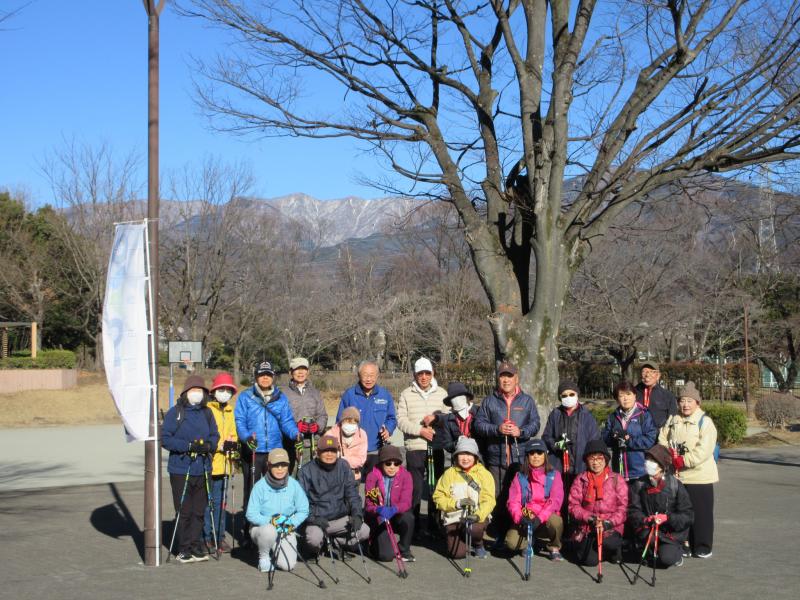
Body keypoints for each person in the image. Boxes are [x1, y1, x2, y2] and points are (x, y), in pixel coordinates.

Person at [473, 362, 540, 541]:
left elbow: (535, 424)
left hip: (520, 458)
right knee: (497, 495)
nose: (506, 380)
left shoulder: (527, 401)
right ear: (498, 379)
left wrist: (521, 431)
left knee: (519, 495)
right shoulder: (489, 400)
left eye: (509, 376)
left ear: (516, 378)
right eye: (503, 376)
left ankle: (518, 532)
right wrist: (497, 429)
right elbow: (478, 424)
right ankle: (498, 534)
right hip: (496, 457)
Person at [162, 375, 220, 563]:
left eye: (200, 390)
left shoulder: (207, 413)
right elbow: (165, 438)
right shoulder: (176, 412)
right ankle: (184, 547)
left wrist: (209, 446)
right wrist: (187, 446)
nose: (197, 393)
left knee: (199, 510)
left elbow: (214, 435)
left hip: (202, 467)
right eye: (193, 390)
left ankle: (196, 545)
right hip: (181, 468)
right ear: (186, 392)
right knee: (184, 510)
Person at [658, 381, 718, 559]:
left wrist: (683, 460)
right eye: (682, 400)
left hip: (700, 476)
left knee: (702, 513)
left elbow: (704, 450)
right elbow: (662, 438)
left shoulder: (705, 422)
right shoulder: (673, 419)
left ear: (697, 403)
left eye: (689, 401)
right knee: (680, 513)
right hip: (677, 476)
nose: (685, 404)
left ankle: (702, 545)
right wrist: (667, 456)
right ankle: (683, 543)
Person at [234, 360, 299, 516]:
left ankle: (274, 526)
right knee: (252, 492)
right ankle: (250, 532)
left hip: (274, 452)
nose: (265, 378)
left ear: (273, 377)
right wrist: (246, 438)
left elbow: (287, 421)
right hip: (253, 450)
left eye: (268, 375)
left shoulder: (280, 398)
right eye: (261, 375)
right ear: (256, 376)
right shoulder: (245, 397)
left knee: (275, 491)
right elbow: (240, 421)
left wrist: (296, 434)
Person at [395, 357, 448, 536]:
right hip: (415, 447)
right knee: (415, 488)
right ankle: (414, 526)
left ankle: (434, 525)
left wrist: (437, 419)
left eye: (427, 373)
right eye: (420, 374)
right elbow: (401, 421)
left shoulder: (441, 393)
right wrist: (419, 430)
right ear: (415, 375)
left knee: (435, 487)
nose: (424, 377)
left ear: (433, 373)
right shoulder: (406, 394)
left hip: (436, 447)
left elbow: (449, 418)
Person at [298, 434, 370, 555]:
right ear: (318, 451)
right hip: (319, 521)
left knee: (364, 531)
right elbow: (301, 502)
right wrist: (313, 519)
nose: (330, 454)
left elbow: (352, 493)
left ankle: (336, 542)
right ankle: (320, 546)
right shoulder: (306, 471)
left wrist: (357, 515)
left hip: (340, 518)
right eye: (325, 451)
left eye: (333, 451)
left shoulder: (344, 466)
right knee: (313, 540)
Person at [628, 444, 694, 568]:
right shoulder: (639, 484)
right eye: (647, 459)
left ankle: (677, 551)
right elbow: (633, 510)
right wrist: (645, 520)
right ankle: (651, 548)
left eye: (653, 461)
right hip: (649, 530)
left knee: (667, 558)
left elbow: (688, 516)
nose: (648, 463)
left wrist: (667, 518)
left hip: (670, 533)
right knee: (643, 550)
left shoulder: (676, 485)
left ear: (662, 465)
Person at [246, 448, 310, 572]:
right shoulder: (259, 486)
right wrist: (271, 521)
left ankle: (275, 552)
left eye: (284, 465)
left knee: (288, 566)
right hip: (262, 529)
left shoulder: (294, 485)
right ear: (268, 465)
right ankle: (263, 558)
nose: (280, 468)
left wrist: (291, 523)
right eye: (276, 465)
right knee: (269, 531)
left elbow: (304, 509)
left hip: (285, 528)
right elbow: (251, 514)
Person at [433, 436, 496, 559]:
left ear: (475, 457)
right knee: (456, 554)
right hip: (454, 518)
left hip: (476, 518)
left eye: (469, 454)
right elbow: (438, 497)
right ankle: (462, 538)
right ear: (456, 456)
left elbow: (489, 500)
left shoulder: (484, 474)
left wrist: (478, 515)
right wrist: (456, 503)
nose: (465, 458)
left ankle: (478, 543)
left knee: (474, 529)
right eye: (462, 454)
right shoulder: (449, 474)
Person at [542, 380, 600, 513]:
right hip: (559, 466)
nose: (568, 397)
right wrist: (558, 445)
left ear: (577, 395)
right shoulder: (555, 414)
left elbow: (594, 440)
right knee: (559, 498)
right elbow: (546, 437)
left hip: (581, 465)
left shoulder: (587, 416)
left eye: (571, 394)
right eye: (564, 395)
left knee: (579, 499)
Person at [567, 440, 628, 567]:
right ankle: (597, 549)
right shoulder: (581, 479)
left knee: (608, 543)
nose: (596, 462)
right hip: (589, 525)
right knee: (589, 561)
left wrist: (607, 523)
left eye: (599, 458)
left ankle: (612, 550)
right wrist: (590, 518)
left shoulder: (617, 479)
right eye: (592, 458)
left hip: (610, 526)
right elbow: (573, 506)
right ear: (586, 461)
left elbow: (623, 509)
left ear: (606, 459)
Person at [505, 439, 565, 561]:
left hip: (544, 517)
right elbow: (513, 501)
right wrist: (520, 518)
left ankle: (554, 547)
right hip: (526, 517)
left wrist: (539, 518)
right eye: (532, 453)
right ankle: (530, 542)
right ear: (527, 456)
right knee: (511, 543)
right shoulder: (519, 476)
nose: (536, 456)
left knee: (556, 521)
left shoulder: (554, 475)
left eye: (539, 452)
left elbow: (555, 500)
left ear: (545, 455)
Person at [336, 360, 397, 477]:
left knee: (374, 487)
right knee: (353, 486)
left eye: (372, 375)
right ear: (359, 376)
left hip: (376, 449)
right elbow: (339, 420)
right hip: (353, 449)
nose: (368, 379)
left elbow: (392, 418)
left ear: (377, 376)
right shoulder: (349, 395)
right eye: (365, 375)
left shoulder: (385, 395)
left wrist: (388, 429)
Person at [203, 372, 239, 553]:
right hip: (210, 462)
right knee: (207, 502)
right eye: (221, 389)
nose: (225, 392)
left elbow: (233, 433)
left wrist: (233, 445)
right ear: (214, 390)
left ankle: (219, 536)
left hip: (225, 464)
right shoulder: (207, 409)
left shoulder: (230, 411)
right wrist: (219, 445)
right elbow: (204, 434)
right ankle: (206, 537)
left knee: (220, 504)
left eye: (228, 390)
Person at [364, 444, 415, 562]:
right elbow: (369, 503)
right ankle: (373, 545)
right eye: (388, 463)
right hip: (379, 517)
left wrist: (394, 509)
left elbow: (407, 502)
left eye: (396, 463)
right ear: (381, 463)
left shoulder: (406, 475)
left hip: (395, 513)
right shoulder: (372, 475)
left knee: (408, 518)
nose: (392, 467)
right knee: (386, 556)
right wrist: (378, 509)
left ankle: (403, 549)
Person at [602, 381, 658, 481]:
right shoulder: (613, 417)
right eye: (621, 395)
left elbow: (650, 439)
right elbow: (604, 437)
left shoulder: (644, 415)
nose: (626, 398)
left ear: (635, 395)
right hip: (619, 471)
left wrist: (629, 440)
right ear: (617, 399)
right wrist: (614, 437)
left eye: (628, 394)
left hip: (640, 472)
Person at [282, 357, 328, 474]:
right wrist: (294, 428)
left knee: (309, 482)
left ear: (308, 371)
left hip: (311, 445)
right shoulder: (283, 393)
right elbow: (280, 419)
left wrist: (317, 427)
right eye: (297, 369)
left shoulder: (315, 392)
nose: (301, 372)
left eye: (303, 369)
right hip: (291, 446)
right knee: (291, 481)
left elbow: (323, 415)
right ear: (290, 372)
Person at [435, 381, 482, 455]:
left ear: (467, 397)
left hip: (479, 457)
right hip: (458, 458)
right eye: (453, 397)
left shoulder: (479, 412)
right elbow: (447, 444)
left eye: (460, 396)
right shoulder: (448, 419)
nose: (457, 400)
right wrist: (457, 442)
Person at [326, 407, 368, 481]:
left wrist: (341, 459)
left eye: (354, 422)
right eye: (348, 422)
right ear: (342, 421)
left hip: (354, 476)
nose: (350, 425)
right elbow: (324, 454)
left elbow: (361, 460)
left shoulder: (362, 435)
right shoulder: (331, 434)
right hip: (334, 476)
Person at [635, 361, 678, 429]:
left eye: (652, 372)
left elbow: (673, 419)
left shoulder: (668, 395)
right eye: (644, 371)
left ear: (658, 376)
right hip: (636, 436)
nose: (647, 375)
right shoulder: (632, 393)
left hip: (659, 436)